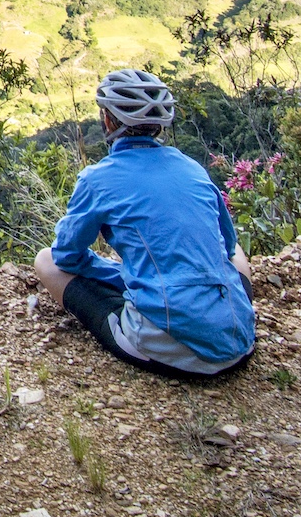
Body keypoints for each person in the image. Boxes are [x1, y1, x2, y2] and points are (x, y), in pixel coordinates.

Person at [33, 69, 256, 379]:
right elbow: (228, 246)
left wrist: (119, 276)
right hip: (239, 341)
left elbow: (66, 257)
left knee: (45, 261)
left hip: (168, 347)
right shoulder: (192, 168)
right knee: (236, 257)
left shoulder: (98, 179)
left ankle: (145, 326)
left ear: (108, 121)